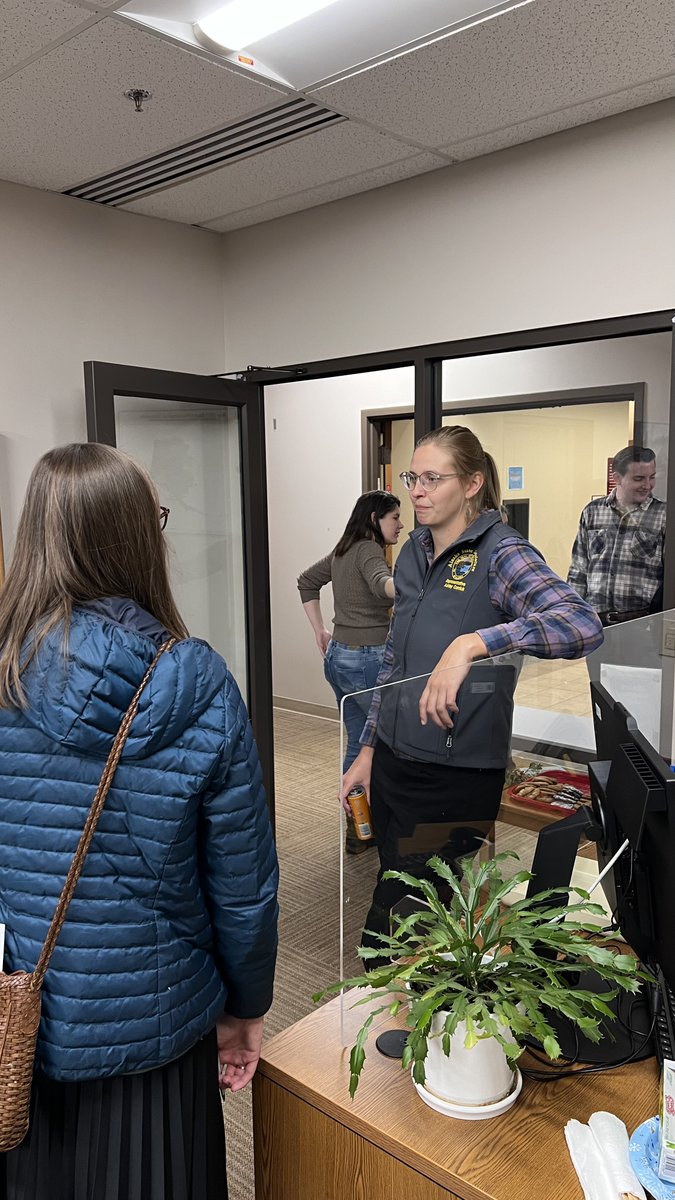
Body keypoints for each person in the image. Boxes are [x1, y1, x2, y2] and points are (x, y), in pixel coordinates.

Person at [0, 443, 278, 1200]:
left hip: (17, 1026)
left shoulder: (3, 666)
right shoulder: (189, 677)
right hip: (153, 1034)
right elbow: (242, 882)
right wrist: (246, 1007)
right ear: (132, 538)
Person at [341, 425, 603, 945]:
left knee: (394, 930)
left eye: (433, 478)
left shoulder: (503, 553)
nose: (416, 489)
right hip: (395, 758)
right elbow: (395, 660)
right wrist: (368, 748)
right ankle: (432, 1018)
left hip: (453, 775)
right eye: (414, 477)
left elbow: (580, 623)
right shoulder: (414, 550)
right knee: (407, 891)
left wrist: (475, 642)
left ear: (472, 484)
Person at [297, 490, 403, 853]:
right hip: (369, 659)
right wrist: (412, 586)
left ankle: (359, 828)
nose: (401, 525)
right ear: (375, 519)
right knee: (379, 744)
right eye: (395, 518)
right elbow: (381, 584)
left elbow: (306, 581)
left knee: (359, 742)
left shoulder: (343, 550)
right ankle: (370, 827)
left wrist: (319, 631)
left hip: (339, 656)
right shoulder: (369, 550)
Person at [567, 445, 666, 625]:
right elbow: (578, 571)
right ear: (617, 478)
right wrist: (573, 616)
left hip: (643, 625)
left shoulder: (664, 515)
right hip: (597, 623)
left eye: (651, 477)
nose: (647, 485)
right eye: (639, 478)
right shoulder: (593, 512)